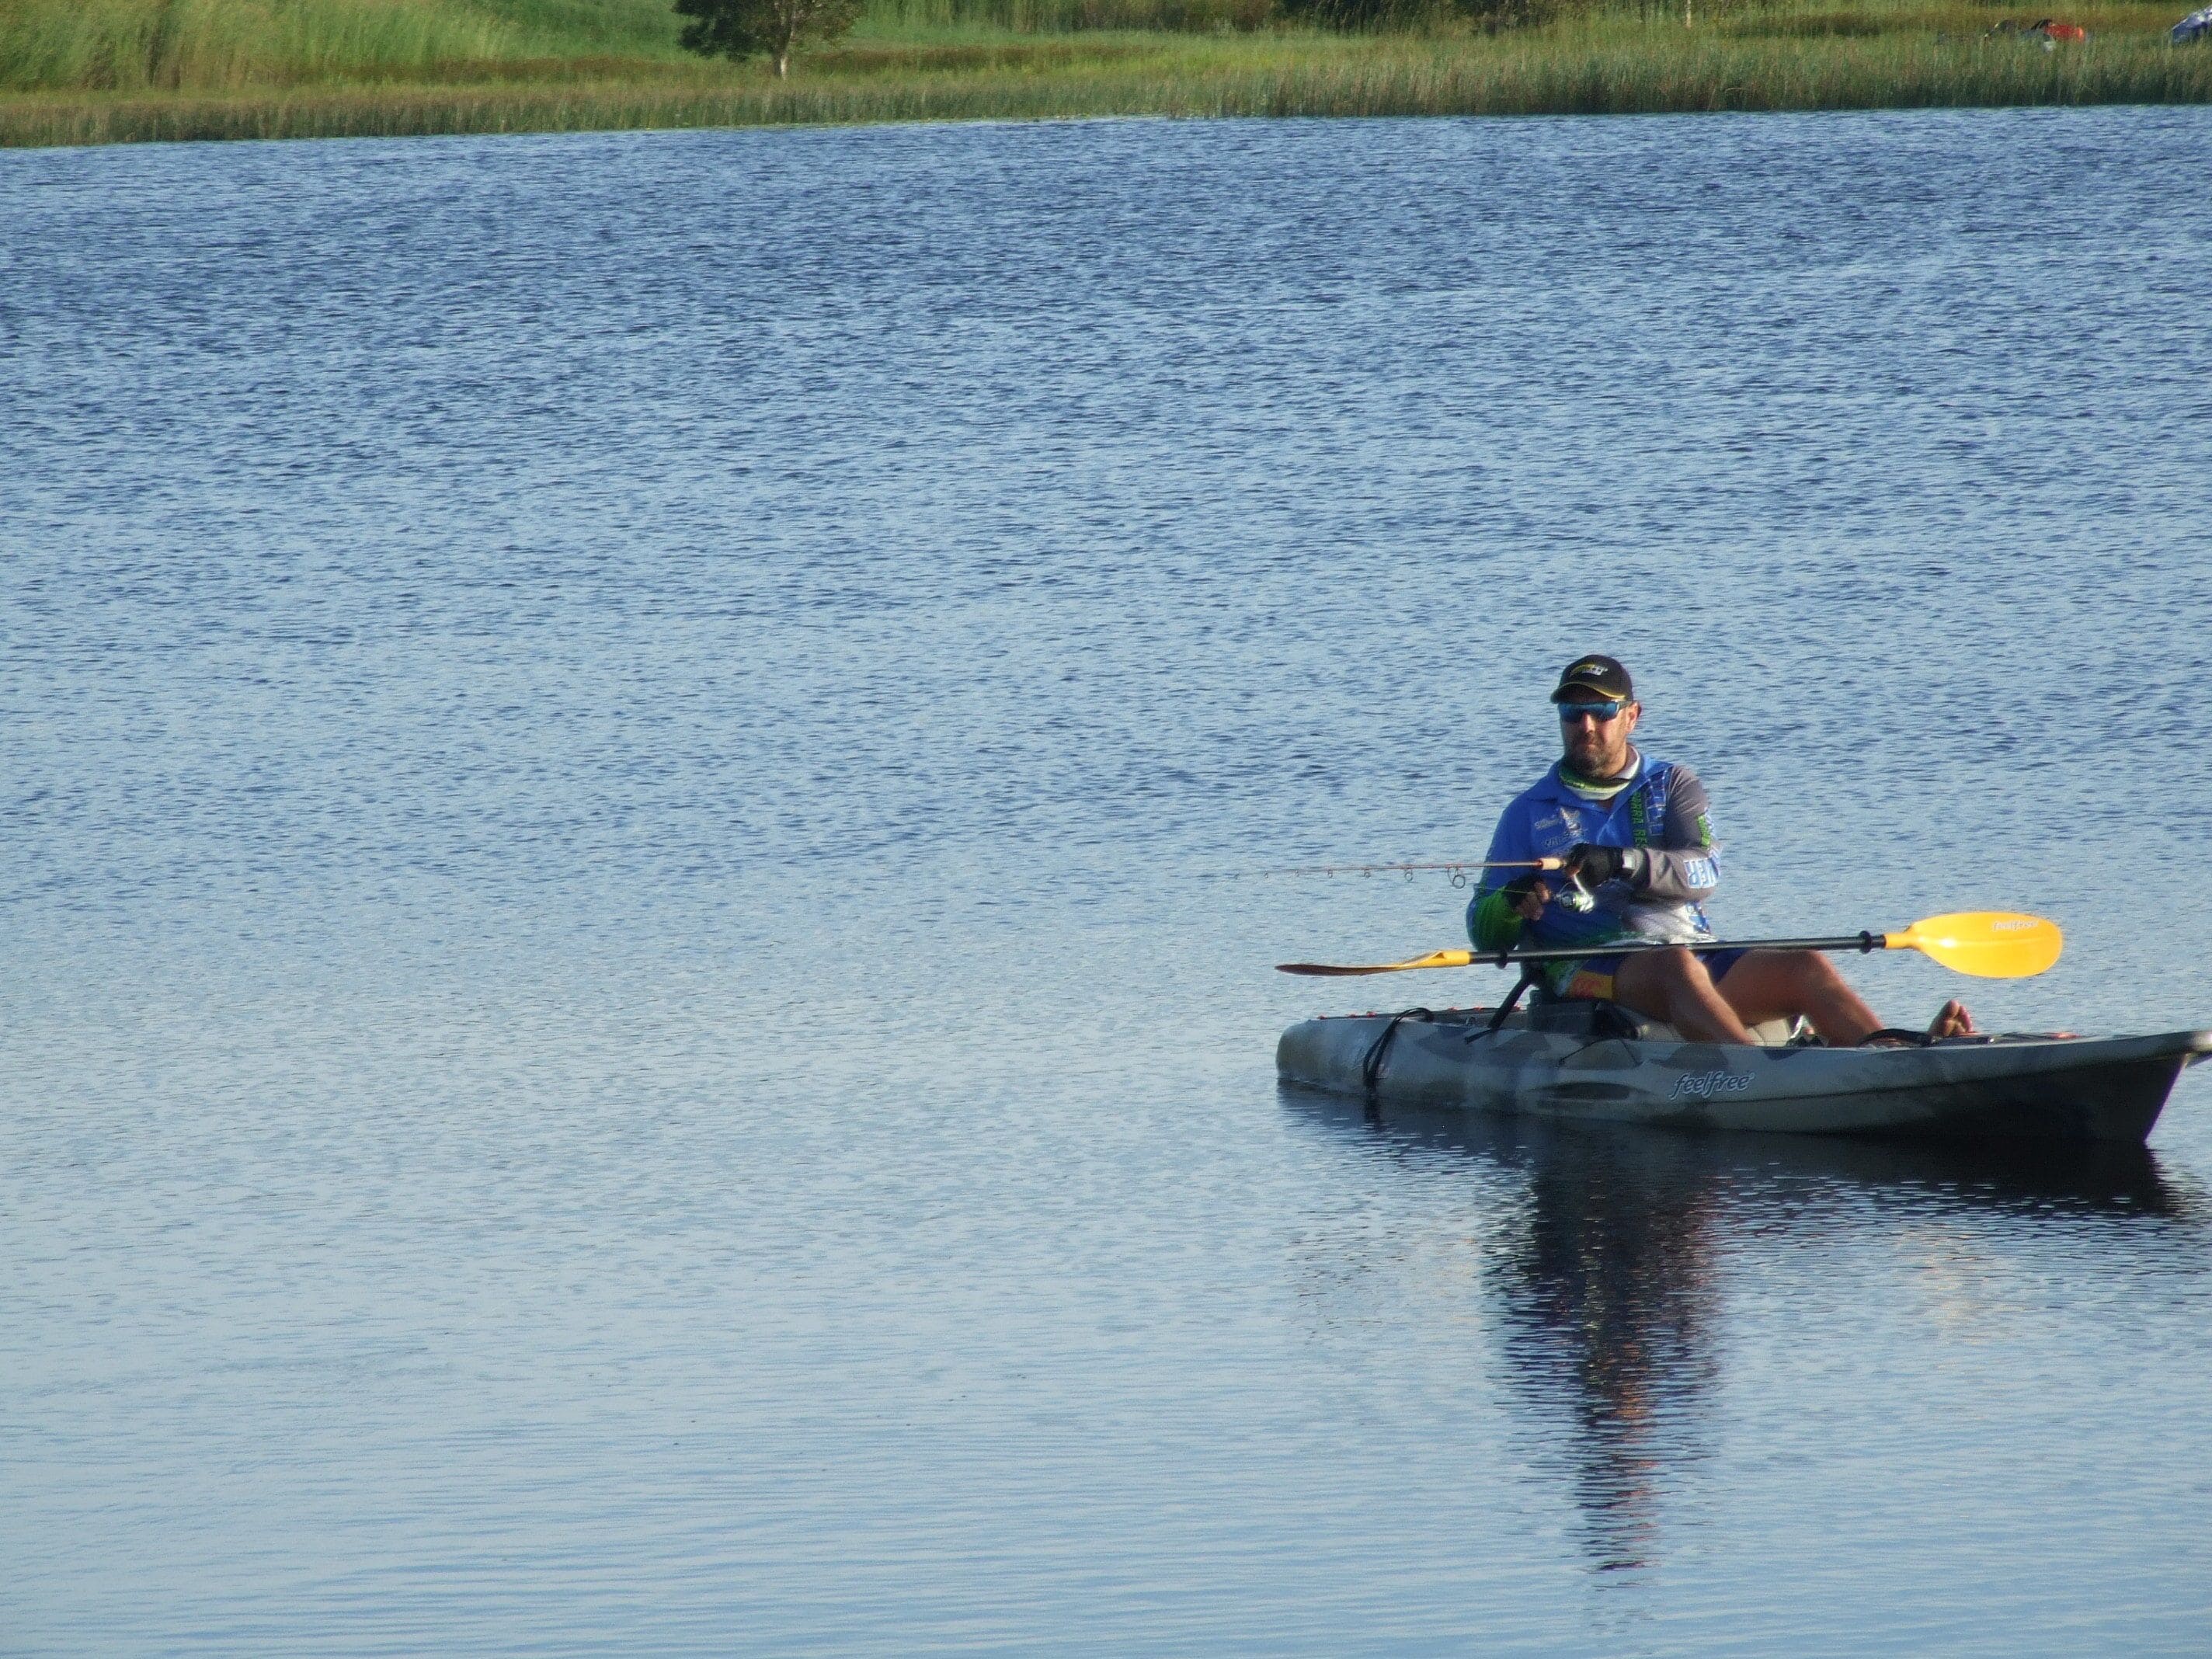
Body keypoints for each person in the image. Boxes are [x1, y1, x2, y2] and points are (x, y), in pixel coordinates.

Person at [1466, 655, 1973, 1046]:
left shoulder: (1673, 786)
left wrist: (1621, 863)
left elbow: (1704, 873)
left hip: (1687, 949)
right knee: (1677, 969)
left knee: (1805, 967)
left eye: (1601, 711)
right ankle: (1761, 1076)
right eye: (1574, 713)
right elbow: (1482, 929)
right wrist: (1510, 904)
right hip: (1586, 968)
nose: (1587, 727)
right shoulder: (1529, 811)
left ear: (1631, 716)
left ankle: (1883, 1057)